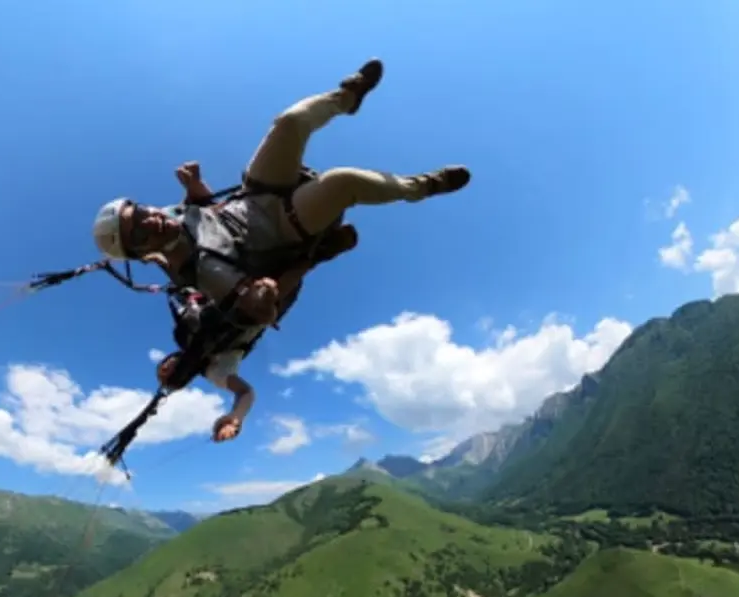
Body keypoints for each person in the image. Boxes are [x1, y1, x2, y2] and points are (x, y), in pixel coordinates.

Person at [91, 58, 471, 445]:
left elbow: (204, 216)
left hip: (255, 194)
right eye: (139, 231)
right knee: (343, 181)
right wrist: (235, 416)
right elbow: (246, 319)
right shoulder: (202, 296)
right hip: (284, 228)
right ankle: (421, 186)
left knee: (289, 122)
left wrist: (195, 186)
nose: (149, 220)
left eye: (139, 212)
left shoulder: (172, 237)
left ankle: (346, 96)